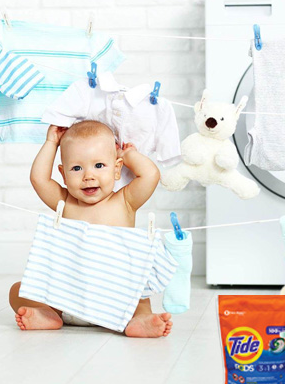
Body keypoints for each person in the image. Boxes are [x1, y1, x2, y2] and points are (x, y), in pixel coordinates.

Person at [9, 121, 173, 338]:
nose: (88, 176)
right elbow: (39, 179)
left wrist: (128, 154)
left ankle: (138, 319)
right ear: (64, 174)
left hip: (116, 299)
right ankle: (49, 313)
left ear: (117, 169)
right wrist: (51, 143)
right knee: (18, 290)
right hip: (67, 297)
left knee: (140, 295)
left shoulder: (125, 201)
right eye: (76, 168)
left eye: (99, 166)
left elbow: (151, 175)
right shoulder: (64, 202)